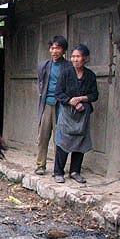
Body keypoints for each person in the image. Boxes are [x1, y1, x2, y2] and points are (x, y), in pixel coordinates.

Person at [53, 44, 98, 184]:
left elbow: (94, 95)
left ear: (85, 58)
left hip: (82, 114)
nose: (75, 59)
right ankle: (58, 172)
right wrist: (71, 101)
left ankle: (75, 171)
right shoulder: (65, 73)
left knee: (80, 142)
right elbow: (58, 93)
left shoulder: (90, 75)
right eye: (73, 56)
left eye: (78, 56)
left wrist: (82, 99)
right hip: (67, 112)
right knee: (63, 141)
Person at [35, 35, 72, 175]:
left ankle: (58, 168)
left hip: (62, 106)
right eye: (52, 48)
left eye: (58, 48)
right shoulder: (44, 65)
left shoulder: (68, 67)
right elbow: (40, 83)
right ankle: (40, 165)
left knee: (60, 138)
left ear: (64, 50)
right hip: (46, 105)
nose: (54, 51)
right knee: (42, 137)